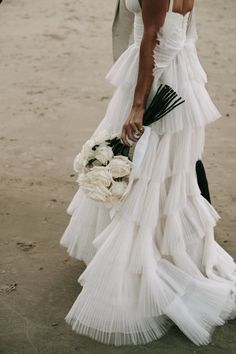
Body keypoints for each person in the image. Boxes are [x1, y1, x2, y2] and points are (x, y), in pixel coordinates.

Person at [60, 0, 236, 346]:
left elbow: (152, 39)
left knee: (143, 174)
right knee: (166, 175)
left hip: (154, 81)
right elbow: (182, 32)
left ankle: (144, 260)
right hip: (179, 80)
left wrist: (139, 105)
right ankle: (162, 248)